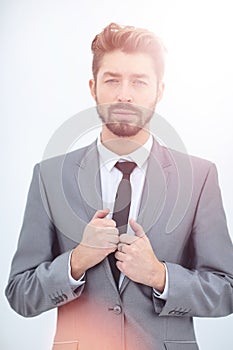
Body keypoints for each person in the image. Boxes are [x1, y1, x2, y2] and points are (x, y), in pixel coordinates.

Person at [5, 22, 233, 350]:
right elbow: (20, 294)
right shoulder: (50, 177)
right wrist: (77, 261)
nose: (124, 94)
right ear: (93, 87)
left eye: (139, 82)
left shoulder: (199, 178)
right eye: (112, 80)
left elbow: (226, 290)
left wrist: (160, 276)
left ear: (159, 91)